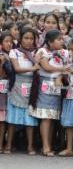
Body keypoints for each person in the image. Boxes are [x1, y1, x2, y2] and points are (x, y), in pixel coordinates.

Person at [29, 29, 69, 156]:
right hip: (45, 84)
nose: (62, 41)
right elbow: (46, 67)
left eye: (62, 39)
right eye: (59, 39)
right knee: (46, 117)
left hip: (57, 85)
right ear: (50, 42)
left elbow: (67, 68)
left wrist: (61, 74)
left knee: (52, 116)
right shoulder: (43, 51)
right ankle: (45, 147)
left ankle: (49, 145)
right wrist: (62, 69)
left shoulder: (63, 53)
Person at [5, 27, 39, 155]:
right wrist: (33, 68)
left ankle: (30, 146)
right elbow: (16, 68)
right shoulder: (14, 52)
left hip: (32, 86)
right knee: (13, 118)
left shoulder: (36, 52)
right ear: (20, 39)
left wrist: (35, 67)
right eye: (26, 38)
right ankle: (8, 145)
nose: (29, 41)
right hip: (17, 86)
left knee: (29, 119)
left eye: (31, 38)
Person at [0, 32, 13, 153]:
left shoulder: (12, 55)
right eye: (6, 41)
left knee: (3, 119)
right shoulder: (2, 56)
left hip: (7, 91)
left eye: (11, 41)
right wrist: (2, 63)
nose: (9, 44)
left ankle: (2, 144)